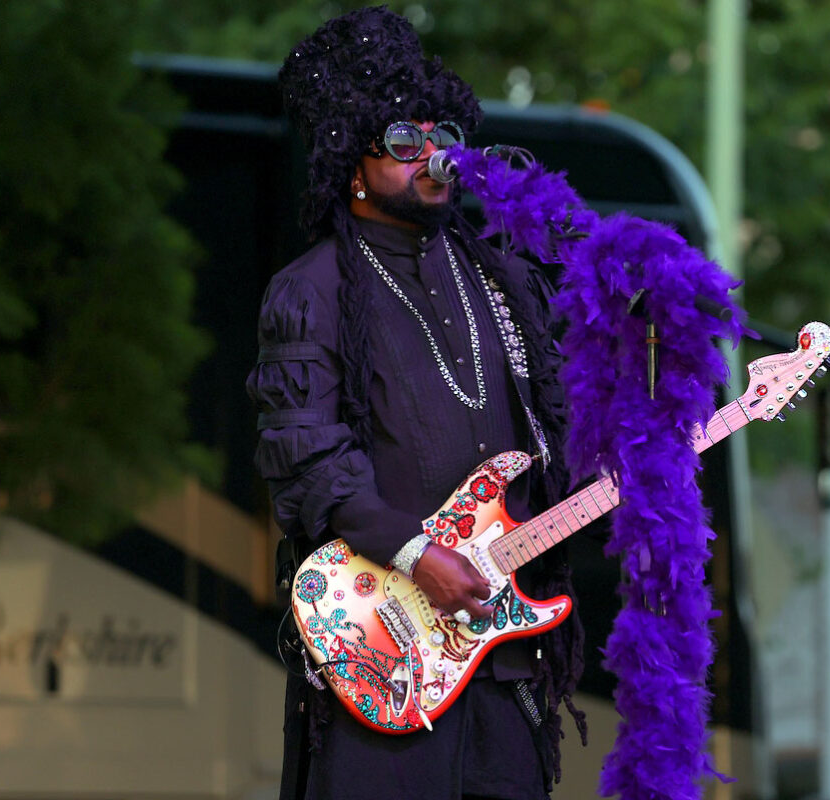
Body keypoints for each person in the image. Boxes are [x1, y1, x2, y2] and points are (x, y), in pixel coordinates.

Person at [245, 8, 585, 800]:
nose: (433, 157)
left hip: (501, 673)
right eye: (403, 141)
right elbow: (306, 460)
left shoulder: (504, 278)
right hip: (387, 657)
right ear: (349, 165)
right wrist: (413, 555)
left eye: (440, 136)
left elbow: (557, 439)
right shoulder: (309, 291)